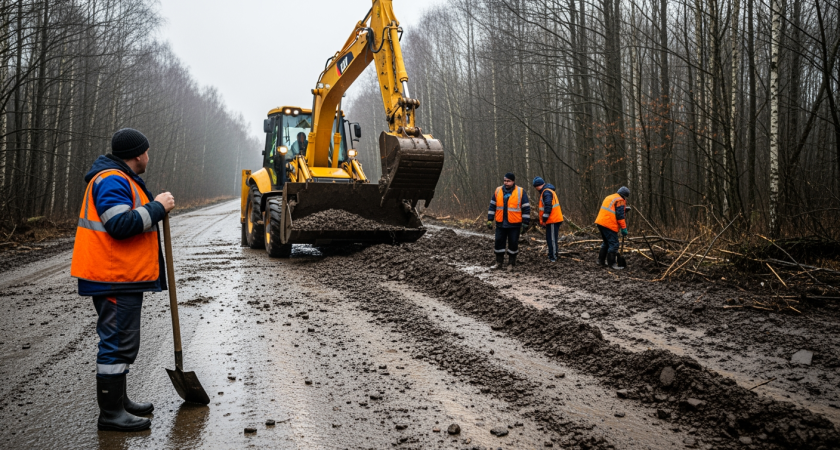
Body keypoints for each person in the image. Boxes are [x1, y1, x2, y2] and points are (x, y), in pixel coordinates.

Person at [70, 128, 175, 431]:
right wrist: (157, 208)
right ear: (138, 154)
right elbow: (118, 224)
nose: (148, 156)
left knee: (123, 343)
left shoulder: (118, 178)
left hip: (119, 275)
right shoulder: (113, 180)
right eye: (147, 151)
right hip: (113, 276)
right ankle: (111, 413)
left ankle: (120, 400)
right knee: (116, 344)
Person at [487, 172, 530, 270]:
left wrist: (525, 222)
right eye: (505, 181)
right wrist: (490, 219)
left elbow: (526, 208)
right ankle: (499, 263)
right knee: (498, 242)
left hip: (514, 224)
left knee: (513, 243)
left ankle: (511, 263)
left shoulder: (521, 191)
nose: (506, 183)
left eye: (508, 181)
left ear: (513, 181)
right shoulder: (498, 190)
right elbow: (492, 205)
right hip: (500, 222)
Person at [594, 186, 630, 269]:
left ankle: (600, 261)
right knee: (614, 244)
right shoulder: (620, 200)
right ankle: (612, 264)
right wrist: (623, 228)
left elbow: (612, 210)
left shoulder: (610, 197)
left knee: (606, 242)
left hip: (600, 222)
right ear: (624, 196)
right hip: (609, 224)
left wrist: (624, 210)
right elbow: (620, 216)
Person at [532, 177, 564, 262]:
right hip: (553, 219)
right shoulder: (548, 191)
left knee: (552, 239)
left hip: (553, 219)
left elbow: (548, 206)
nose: (536, 189)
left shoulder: (546, 192)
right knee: (550, 238)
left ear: (538, 185)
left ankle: (553, 257)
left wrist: (544, 220)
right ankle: (553, 255)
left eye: (536, 187)